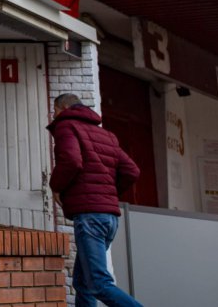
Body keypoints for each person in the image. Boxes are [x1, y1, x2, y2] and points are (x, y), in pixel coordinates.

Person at [48, 93, 145, 307]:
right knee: (83, 283)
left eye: (54, 110)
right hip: (109, 218)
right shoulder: (106, 135)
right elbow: (132, 171)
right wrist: (108, 193)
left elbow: (72, 161)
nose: (53, 115)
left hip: (91, 217)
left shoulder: (67, 126)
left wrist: (55, 186)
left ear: (63, 107)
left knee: (99, 284)